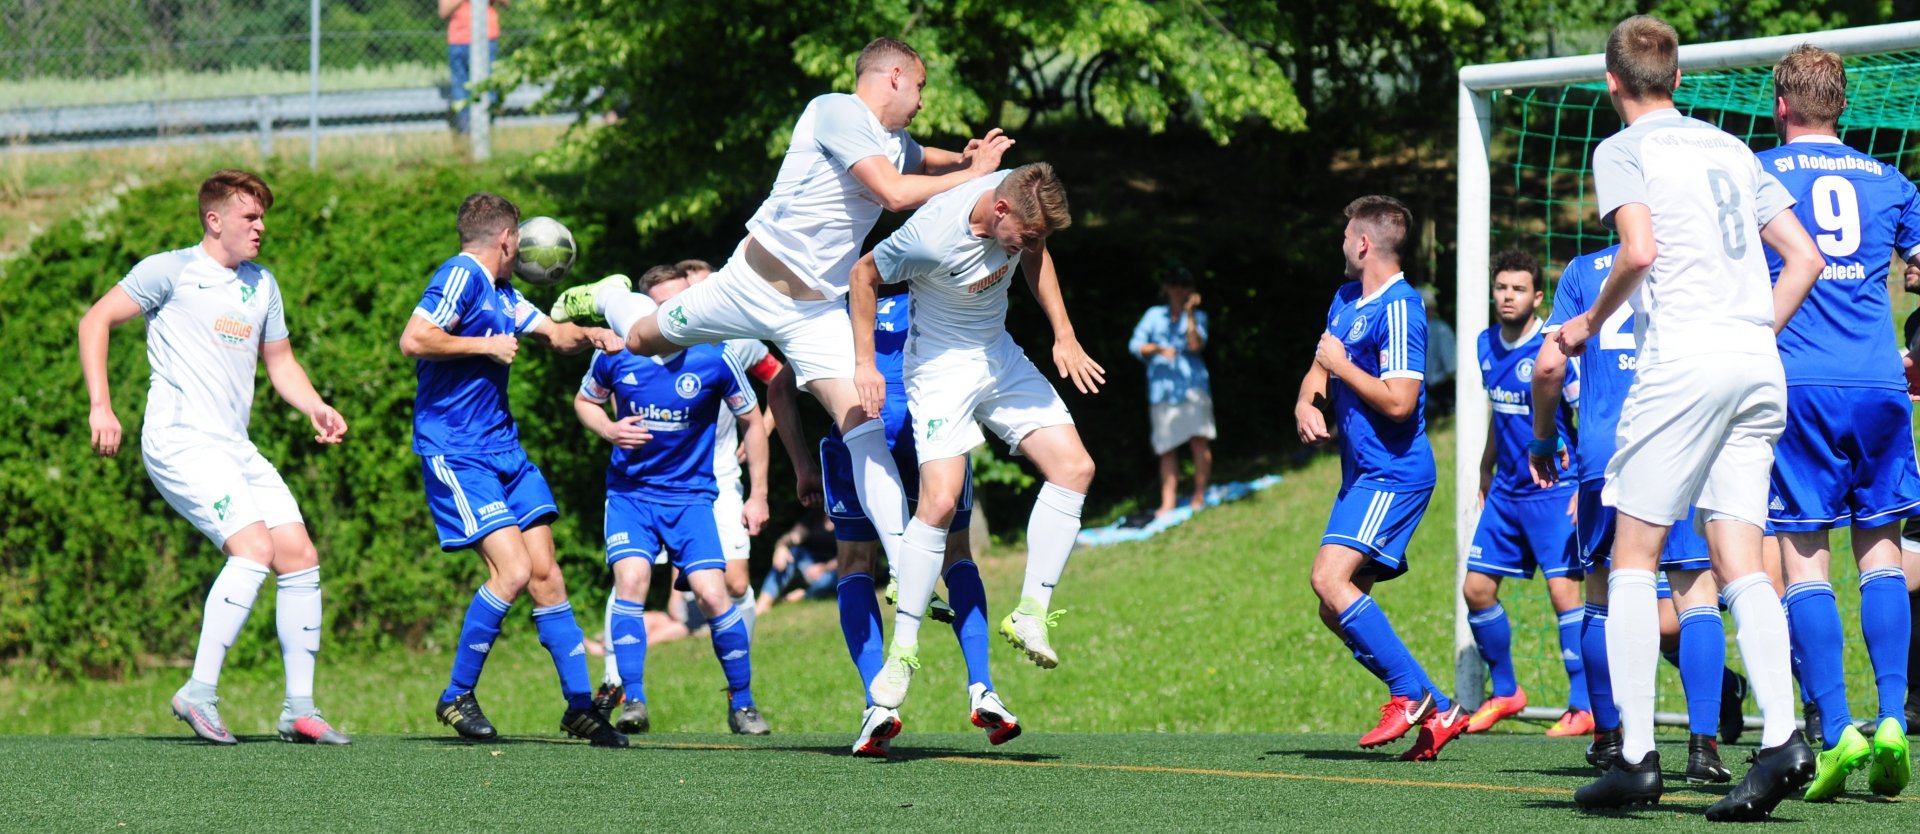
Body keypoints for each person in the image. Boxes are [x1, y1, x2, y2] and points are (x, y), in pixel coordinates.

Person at [548, 39, 1013, 619]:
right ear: (893, 76)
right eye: (919, 87)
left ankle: (907, 571)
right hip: (747, 286)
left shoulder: (890, 140)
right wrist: (976, 174)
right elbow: (894, 194)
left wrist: (967, 161)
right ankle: (610, 293)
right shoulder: (835, 111)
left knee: (862, 426)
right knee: (642, 339)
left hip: (816, 314)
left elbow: (920, 158)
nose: (921, 101)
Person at [1553, 16, 1824, 819]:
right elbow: (1803, 257)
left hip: (1687, 363)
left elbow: (1638, 251)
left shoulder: (1624, 148)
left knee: (1633, 555)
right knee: (1740, 552)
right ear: (1679, 80)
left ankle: (1635, 757)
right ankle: (1781, 738)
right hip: (1755, 360)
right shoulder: (1732, 147)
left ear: (1612, 83)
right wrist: (1747, 333)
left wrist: (1586, 325)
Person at [77, 169, 350, 746]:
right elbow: (95, 320)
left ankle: (298, 708)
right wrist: (102, 405)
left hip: (233, 446)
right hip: (179, 439)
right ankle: (198, 693)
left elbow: (281, 365)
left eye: (262, 216)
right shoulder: (169, 271)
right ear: (214, 219)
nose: (260, 227)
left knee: (298, 553)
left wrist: (315, 406)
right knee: (252, 547)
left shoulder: (262, 285)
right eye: (250, 216)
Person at [847, 162, 1100, 714]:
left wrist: (1065, 335)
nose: (1031, 247)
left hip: (997, 354)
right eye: (1027, 236)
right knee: (938, 500)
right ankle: (902, 653)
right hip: (938, 368)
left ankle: (1031, 611)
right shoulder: (930, 237)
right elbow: (863, 276)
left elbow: (1037, 256)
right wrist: (865, 364)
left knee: (1075, 468)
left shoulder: (1020, 200)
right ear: (1000, 211)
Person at [400, 191, 628, 747]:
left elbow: (552, 333)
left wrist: (592, 334)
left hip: (504, 451)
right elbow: (415, 339)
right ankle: (456, 695)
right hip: (457, 451)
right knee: (514, 572)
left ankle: (580, 708)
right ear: (506, 239)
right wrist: (483, 346)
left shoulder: (504, 291)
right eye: (519, 237)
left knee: (547, 571)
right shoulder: (462, 275)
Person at [1756, 44, 1920, 801]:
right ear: (1844, 107)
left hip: (1800, 383)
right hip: (1882, 381)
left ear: (1781, 106)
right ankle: (1893, 718)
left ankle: (1839, 728)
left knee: (1803, 562)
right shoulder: (1892, 181)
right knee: (1882, 552)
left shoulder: (1755, 176)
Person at [1532, 244, 1749, 785]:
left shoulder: (1583, 269)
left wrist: (1542, 438)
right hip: (1683, 438)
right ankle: (1703, 747)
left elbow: (1549, 365)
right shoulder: (1694, 258)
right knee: (1695, 593)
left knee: (1602, 596)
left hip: (1605, 452)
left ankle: (1609, 740)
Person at [794, 283, 1001, 755]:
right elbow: (783, 383)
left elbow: (781, 386)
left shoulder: (839, 308)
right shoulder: (928, 299)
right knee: (953, 554)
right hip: (923, 439)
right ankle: (980, 688)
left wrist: (801, 461)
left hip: (899, 438)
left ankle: (881, 704)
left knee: (856, 565)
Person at [1296, 194, 1465, 762]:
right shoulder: (1346, 299)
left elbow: (1400, 401)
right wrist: (1307, 402)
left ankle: (1407, 692)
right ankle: (1440, 708)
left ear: (1364, 243)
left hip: (1394, 474)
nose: (1341, 245)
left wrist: (1342, 368)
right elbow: (1321, 364)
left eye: (1347, 236)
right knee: (1333, 605)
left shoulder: (1401, 308)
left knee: (1329, 578)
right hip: (1363, 475)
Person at [574, 264, 771, 736]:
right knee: (633, 581)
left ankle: (742, 703)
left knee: (711, 592)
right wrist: (608, 428)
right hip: (631, 497)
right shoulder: (617, 354)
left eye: (683, 302)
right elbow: (585, 402)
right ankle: (633, 700)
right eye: (666, 307)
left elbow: (752, 419)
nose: (678, 314)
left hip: (691, 500)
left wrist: (758, 494)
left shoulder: (715, 356)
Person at [1458, 249, 1588, 738]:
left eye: (1517, 289)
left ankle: (1583, 704)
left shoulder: (1555, 349)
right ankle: (1507, 691)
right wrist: (1486, 467)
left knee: (1563, 592)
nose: (1506, 296)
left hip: (1555, 490)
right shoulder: (1484, 344)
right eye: (1501, 288)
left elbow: (1581, 414)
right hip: (1507, 492)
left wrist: (1585, 481)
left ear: (1537, 297)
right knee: (1476, 588)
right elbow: (1501, 412)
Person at [1127, 266, 1215, 517]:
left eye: (1184, 285)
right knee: (1166, 448)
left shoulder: (1198, 316)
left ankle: (1199, 495)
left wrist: (1189, 313)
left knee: (1199, 440)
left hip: (1193, 387)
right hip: (1162, 391)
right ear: (1166, 288)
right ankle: (1168, 503)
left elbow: (1196, 344)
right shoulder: (1154, 315)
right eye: (1174, 285)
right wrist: (1156, 350)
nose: (1178, 290)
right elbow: (1135, 345)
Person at [438, 0, 504, 135]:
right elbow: (443, 12)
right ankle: (466, 130)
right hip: (460, 40)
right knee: (461, 86)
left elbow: (506, 3)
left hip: (487, 38)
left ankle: (486, 129)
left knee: (488, 84)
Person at [1418, 284, 1458, 416]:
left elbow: (1450, 367)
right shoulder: (1441, 329)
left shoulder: (1441, 330)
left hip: (1439, 393)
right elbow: (1451, 367)